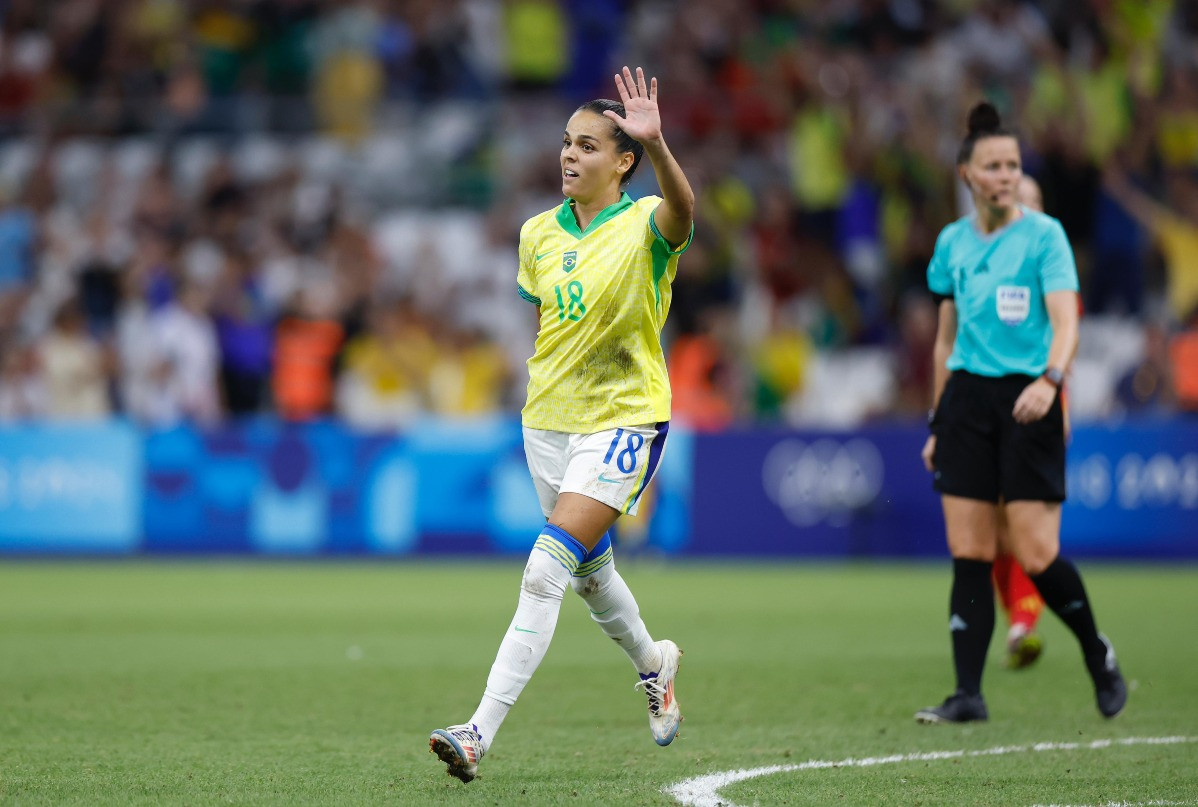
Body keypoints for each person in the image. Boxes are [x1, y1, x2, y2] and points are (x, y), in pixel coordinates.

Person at [430, 66, 695, 781]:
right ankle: (654, 662)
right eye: (566, 143)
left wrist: (662, 145)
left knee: (545, 566)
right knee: (589, 572)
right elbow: (553, 323)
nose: (569, 156)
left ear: (623, 160)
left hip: (625, 418)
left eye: (587, 145)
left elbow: (684, 209)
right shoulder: (537, 234)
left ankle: (477, 731)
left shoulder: (646, 223)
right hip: (547, 422)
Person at [916, 102, 1126, 724]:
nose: (1006, 175)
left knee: (1036, 554)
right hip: (966, 403)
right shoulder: (951, 244)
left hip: (1029, 398)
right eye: (994, 166)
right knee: (970, 551)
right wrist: (937, 420)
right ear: (968, 175)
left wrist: (1052, 381)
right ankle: (968, 695)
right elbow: (943, 341)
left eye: (1013, 165)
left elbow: (1066, 323)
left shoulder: (1045, 236)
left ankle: (1097, 653)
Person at [992, 174, 1048, 671]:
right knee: (992, 532)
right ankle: (1019, 616)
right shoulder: (986, 260)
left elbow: (1062, 347)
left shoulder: (1051, 267)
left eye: (1032, 202)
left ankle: (1023, 622)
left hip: (1034, 406)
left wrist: (1060, 405)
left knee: (1020, 523)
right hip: (985, 407)